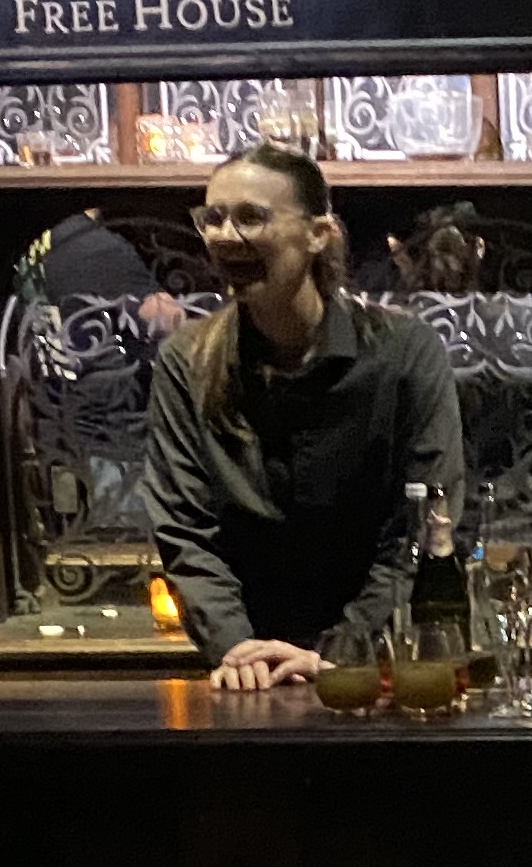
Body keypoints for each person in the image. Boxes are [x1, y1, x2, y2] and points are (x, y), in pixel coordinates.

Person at [139, 143, 463, 688]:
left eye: (249, 217)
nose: (223, 235)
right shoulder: (187, 361)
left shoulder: (403, 352)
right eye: (212, 218)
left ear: (319, 234)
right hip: (248, 675)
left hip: (386, 668)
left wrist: (340, 654)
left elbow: (425, 526)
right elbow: (185, 530)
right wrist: (238, 648)